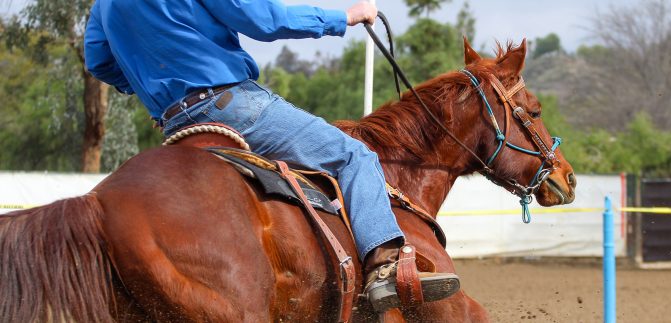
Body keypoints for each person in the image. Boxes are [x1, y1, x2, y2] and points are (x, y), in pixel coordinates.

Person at [84, 0, 459, 312]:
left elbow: (98, 61)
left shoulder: (104, 4)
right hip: (232, 106)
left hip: (174, 122)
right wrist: (345, 17)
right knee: (354, 156)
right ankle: (384, 269)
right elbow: (265, 20)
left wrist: (153, 81)